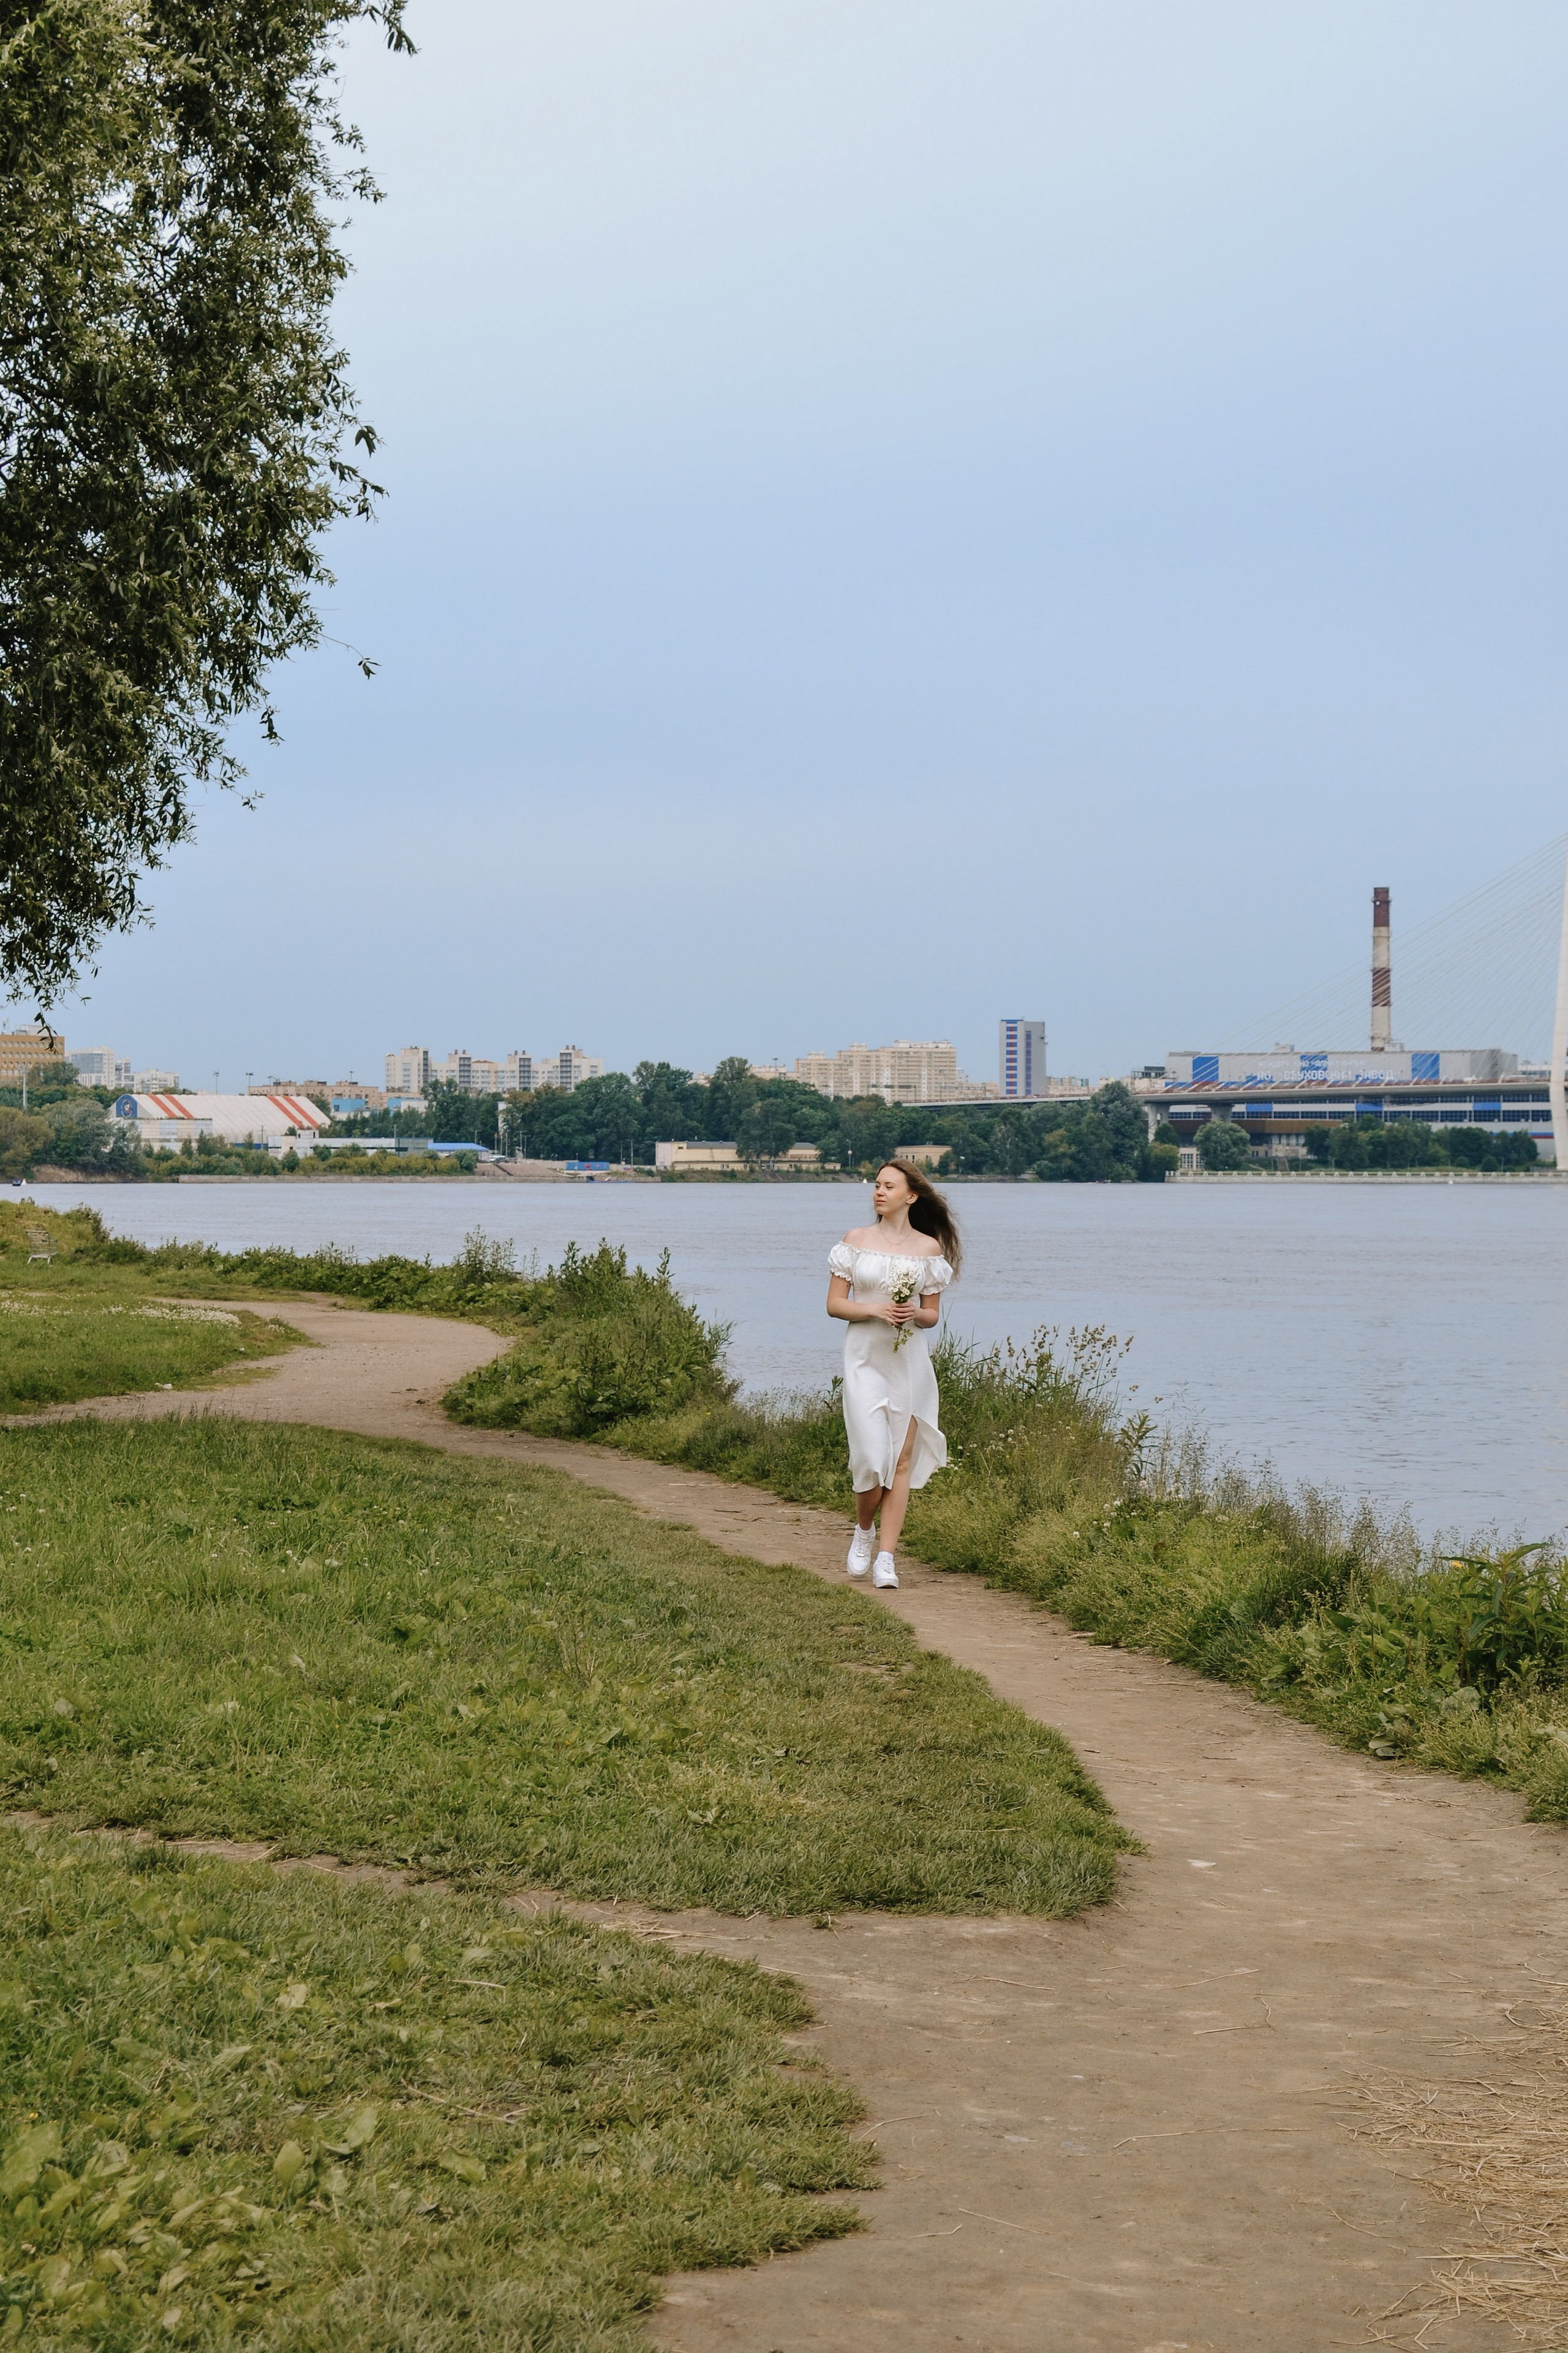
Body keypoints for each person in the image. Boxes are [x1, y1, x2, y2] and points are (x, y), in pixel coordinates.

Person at [826, 1160, 960, 1590]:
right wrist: (875, 1309)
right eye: (876, 1185)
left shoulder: (928, 1249)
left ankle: (887, 1557)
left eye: (888, 1185)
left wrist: (914, 1312)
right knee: (870, 1457)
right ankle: (863, 1528)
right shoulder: (856, 1240)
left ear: (911, 1195)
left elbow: (932, 1315)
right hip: (864, 1357)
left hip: (908, 1363)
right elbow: (834, 1304)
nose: (878, 1192)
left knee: (900, 1460)